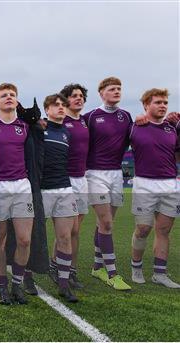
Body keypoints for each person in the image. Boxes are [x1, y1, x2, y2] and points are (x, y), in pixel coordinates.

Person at [129, 88, 180, 288]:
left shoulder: (172, 128)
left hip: (170, 184)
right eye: (158, 102)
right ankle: (136, 268)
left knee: (164, 230)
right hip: (144, 184)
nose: (163, 106)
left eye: (165, 103)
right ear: (146, 105)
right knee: (143, 229)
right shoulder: (135, 127)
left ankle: (160, 274)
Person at [84, 77, 131, 291]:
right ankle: (112, 273)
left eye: (119, 89)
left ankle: (96, 267)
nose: (117, 92)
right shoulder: (92, 116)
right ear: (101, 93)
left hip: (116, 174)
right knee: (107, 224)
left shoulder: (126, 116)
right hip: (95, 174)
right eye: (112, 89)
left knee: (104, 223)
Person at [0, 83, 34, 305]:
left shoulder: (25, 126)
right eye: (4, 95)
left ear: (17, 101)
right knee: (0, 239)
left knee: (24, 240)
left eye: (12, 95)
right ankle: (1, 286)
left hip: (22, 187)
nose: (9, 97)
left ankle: (17, 284)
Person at [40, 94, 79, 302]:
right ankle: (25, 280)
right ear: (47, 110)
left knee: (65, 237)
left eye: (63, 105)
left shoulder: (66, 132)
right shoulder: (38, 129)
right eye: (56, 105)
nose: (61, 108)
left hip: (64, 189)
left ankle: (64, 284)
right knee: (33, 238)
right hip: (41, 190)